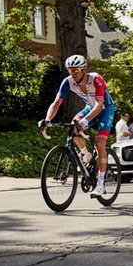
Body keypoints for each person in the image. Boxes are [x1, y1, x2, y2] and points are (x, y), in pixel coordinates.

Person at [40, 55, 115, 197]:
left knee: (100, 142)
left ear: (84, 69)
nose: (72, 74)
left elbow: (99, 105)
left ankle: (100, 183)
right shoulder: (68, 82)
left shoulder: (96, 79)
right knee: (73, 127)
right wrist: (47, 120)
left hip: (105, 109)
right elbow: (56, 103)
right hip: (89, 108)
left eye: (75, 70)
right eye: (70, 70)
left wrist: (86, 121)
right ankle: (85, 154)